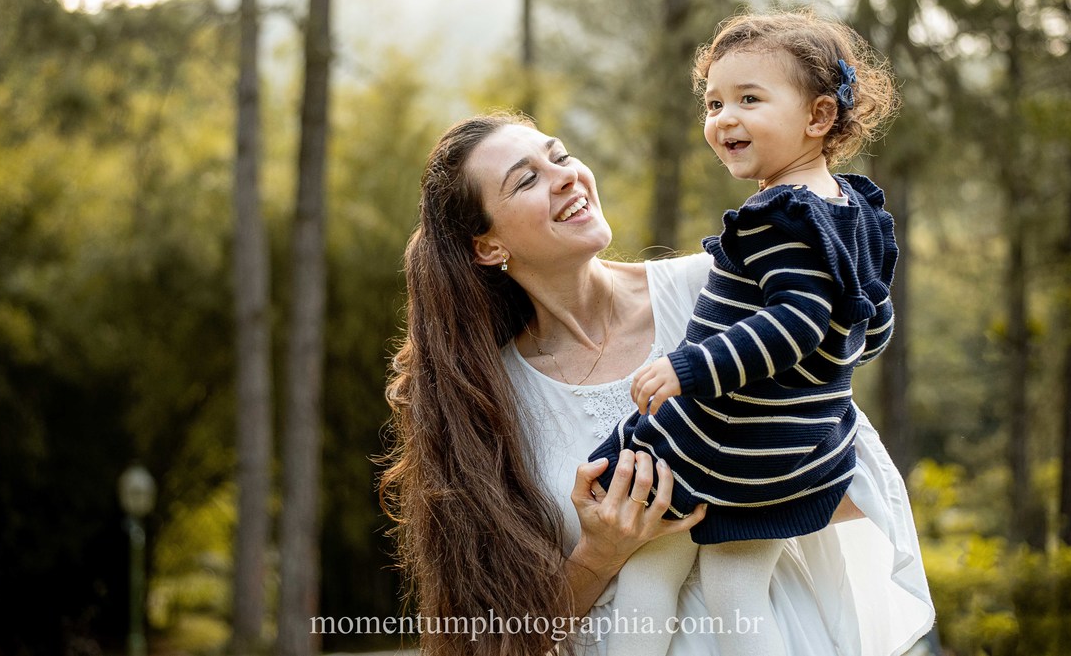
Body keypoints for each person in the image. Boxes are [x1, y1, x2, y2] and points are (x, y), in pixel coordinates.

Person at [380, 110, 934, 656]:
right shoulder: (490, 396)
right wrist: (601, 552)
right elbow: (500, 638)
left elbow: (862, 475)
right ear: (488, 246)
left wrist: (736, 493)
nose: (565, 176)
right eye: (527, 180)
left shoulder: (722, 290)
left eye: (560, 156)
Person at [585, 10, 903, 656]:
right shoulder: (853, 209)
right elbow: (870, 319)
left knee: (649, 571)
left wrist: (691, 366)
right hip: (794, 454)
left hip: (722, 442)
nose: (724, 118)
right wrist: (838, 357)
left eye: (749, 100)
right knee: (737, 592)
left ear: (818, 116)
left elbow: (797, 321)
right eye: (714, 103)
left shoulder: (778, 215)